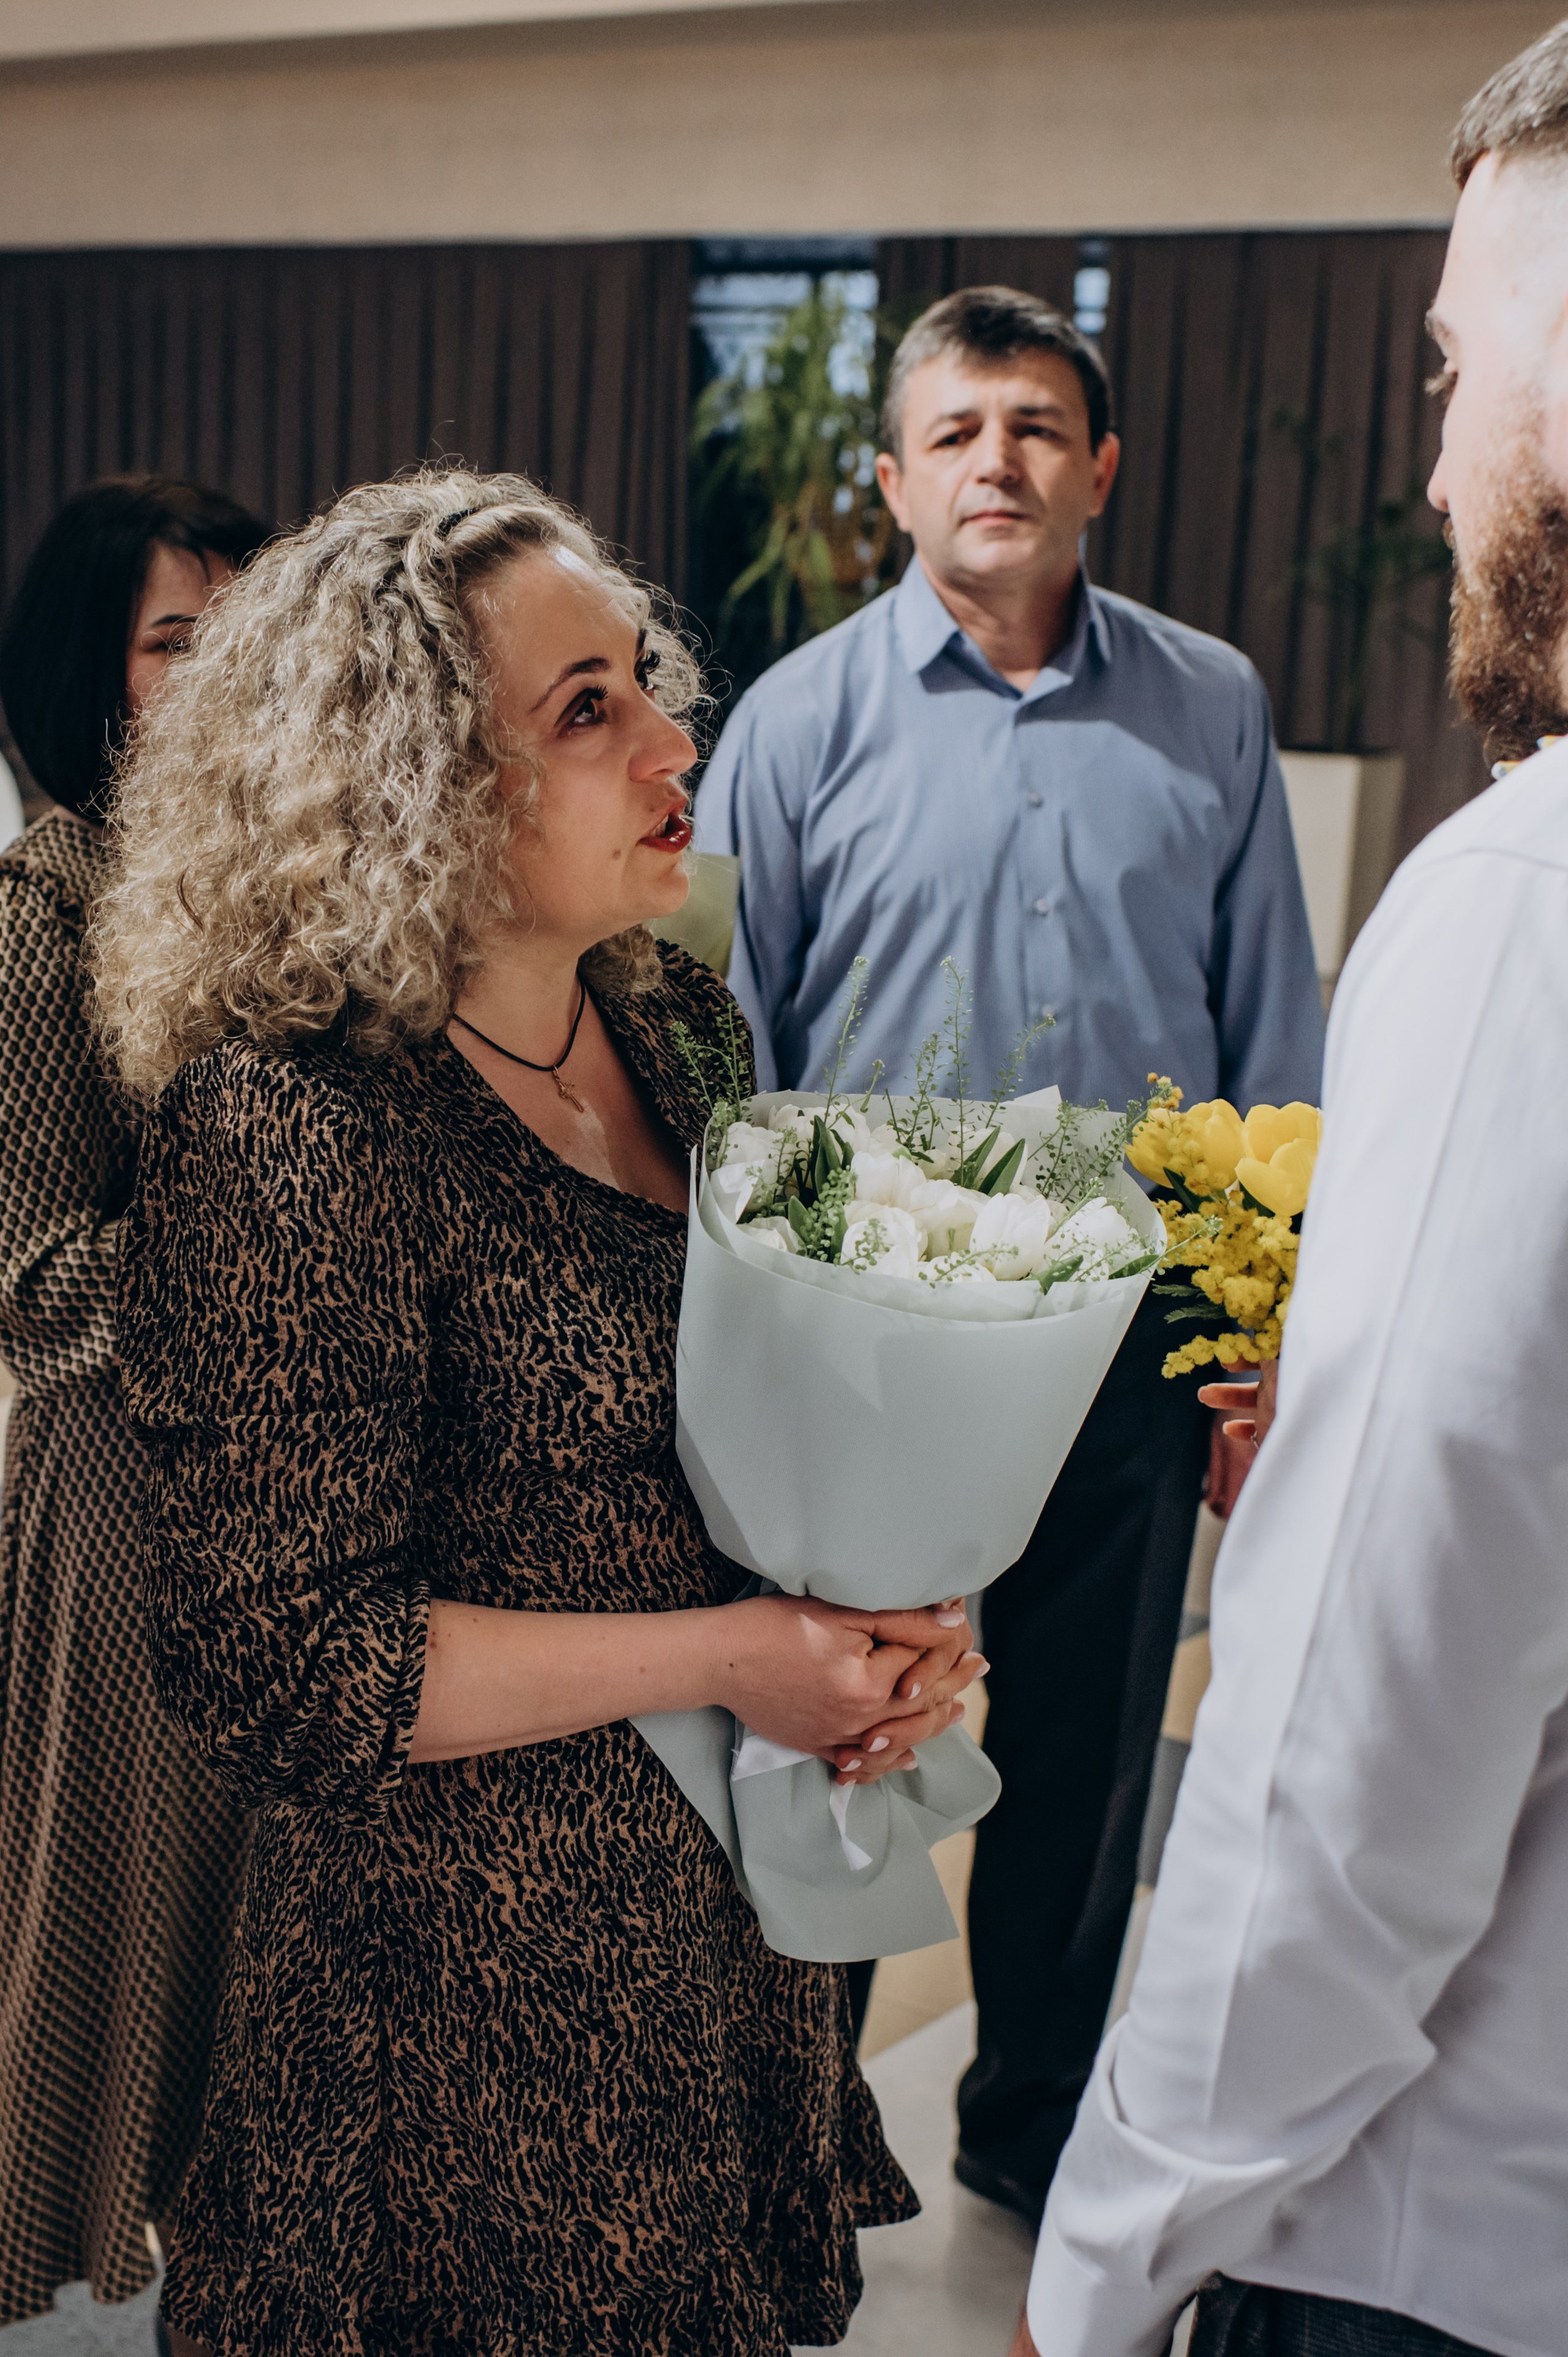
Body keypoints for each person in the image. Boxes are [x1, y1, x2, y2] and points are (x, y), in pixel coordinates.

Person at [91, 468, 986, 2357]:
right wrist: (746, 1654)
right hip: (461, 2043)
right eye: (588, 708)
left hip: (718, 1963)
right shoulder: (296, 1125)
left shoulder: (676, 1026)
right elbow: (287, 1661)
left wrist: (894, 1599)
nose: (676, 738)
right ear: (411, 784)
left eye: (645, 676)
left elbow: (774, 1430)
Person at [1013, 23, 1568, 2357]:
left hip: (1425, 2246)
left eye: (1462, 363)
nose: (1436, 458)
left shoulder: (1526, 904)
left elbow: (1355, 1737)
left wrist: (1106, 2250)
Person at [695, 285, 1324, 2208]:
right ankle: (790, 2150)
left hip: (1129, 1338)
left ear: (1101, 468)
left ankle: (1028, 2135)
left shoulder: (1209, 704)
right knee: (848, 1741)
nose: (1000, 463)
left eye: (1039, 427)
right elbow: (725, 1055)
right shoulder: (794, 720)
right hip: (878, 1343)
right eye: (959, 431)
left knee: (1086, 1758)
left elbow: (1270, 1035)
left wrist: (1254, 1340)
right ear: (891, 477)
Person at [0, 477, 267, 2328]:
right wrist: (252, 1240)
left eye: (249, 631)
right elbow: (25, 1298)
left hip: (275, 1499)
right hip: (119, 1514)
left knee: (261, 1955)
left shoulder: (264, 894)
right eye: (183, 638)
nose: (229, 670)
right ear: (89, 672)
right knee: (116, 1942)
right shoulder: (39, 919)